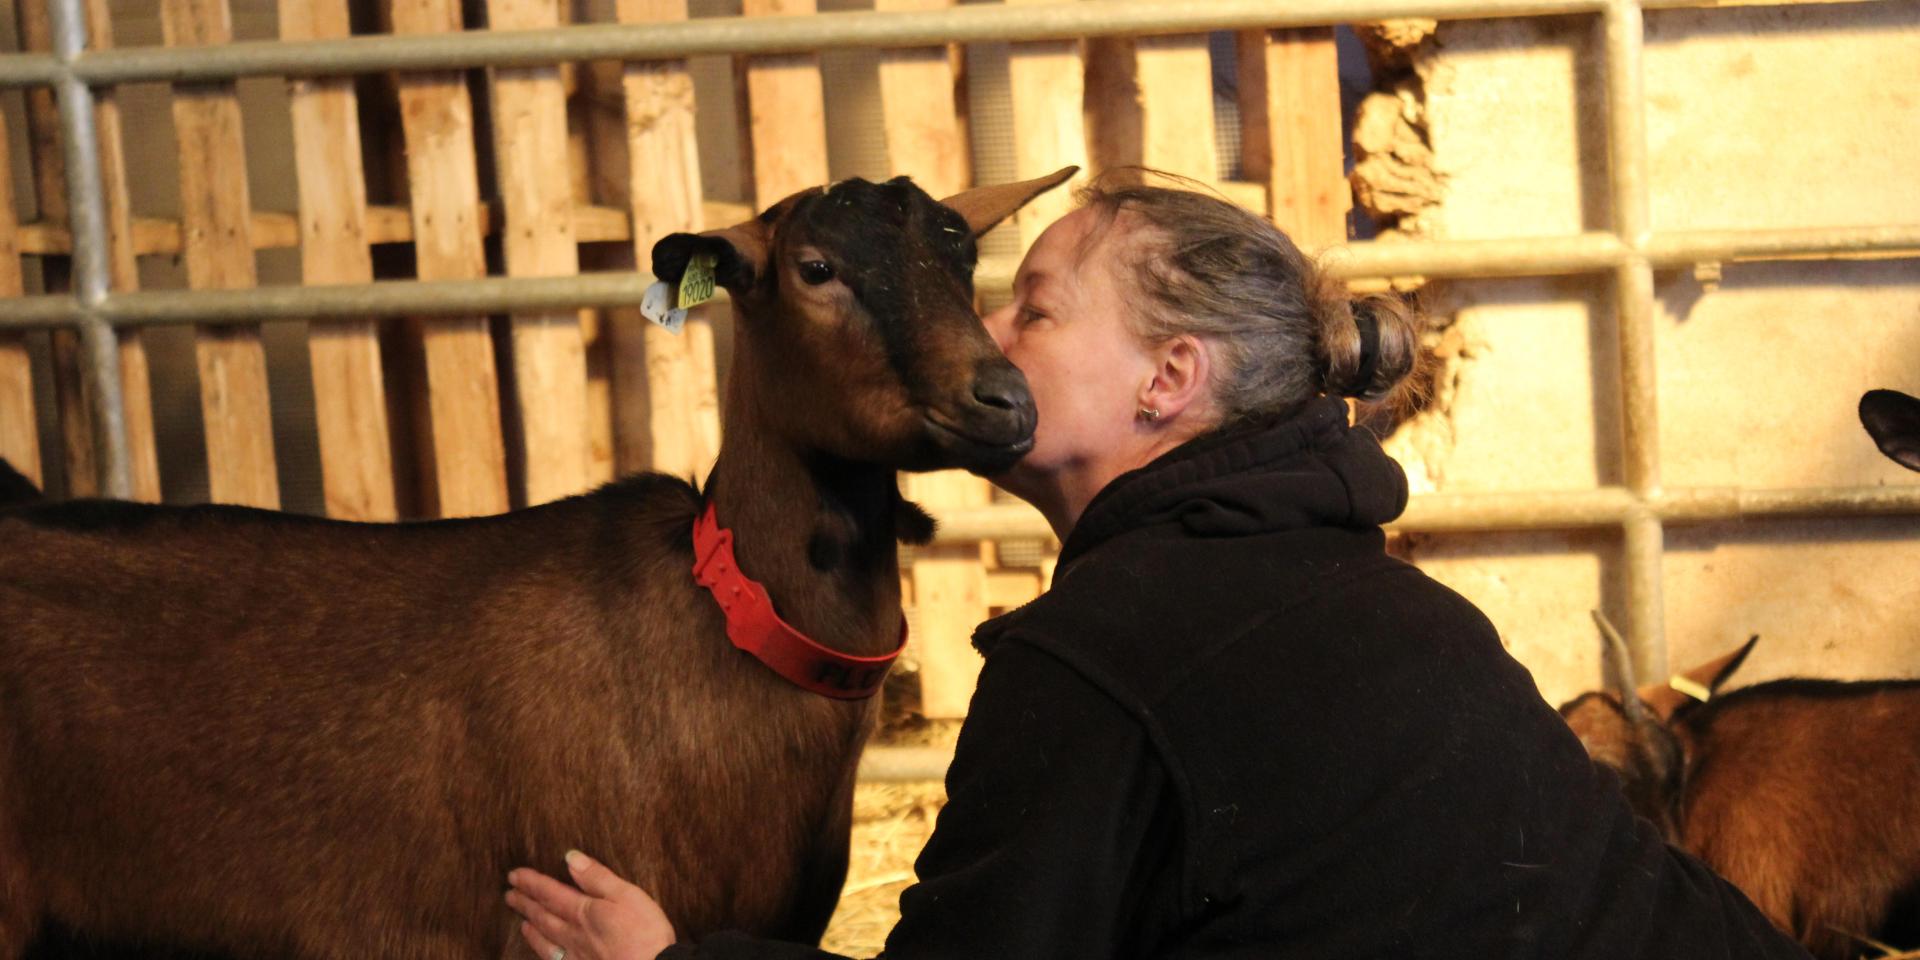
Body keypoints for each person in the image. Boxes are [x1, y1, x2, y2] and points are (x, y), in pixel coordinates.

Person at [504, 177, 1810, 959]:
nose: (986, 334)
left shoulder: (1110, 657)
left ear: (1168, 383)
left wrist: (671, 959)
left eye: (1038, 306)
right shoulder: (1380, 593)